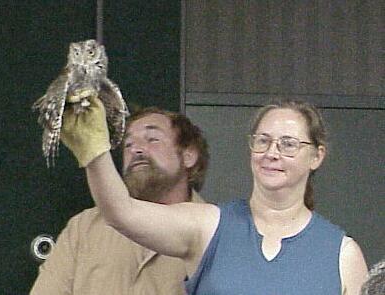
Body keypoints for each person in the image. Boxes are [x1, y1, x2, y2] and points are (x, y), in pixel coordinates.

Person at [60, 95, 368, 294]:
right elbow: (120, 212)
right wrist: (94, 151)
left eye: (288, 144)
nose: (272, 153)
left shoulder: (343, 254)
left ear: (316, 156)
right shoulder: (209, 226)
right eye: (263, 141)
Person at [30, 106, 210, 295]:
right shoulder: (84, 227)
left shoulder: (214, 232)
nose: (137, 149)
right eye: (128, 145)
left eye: (152, 139)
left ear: (189, 156)